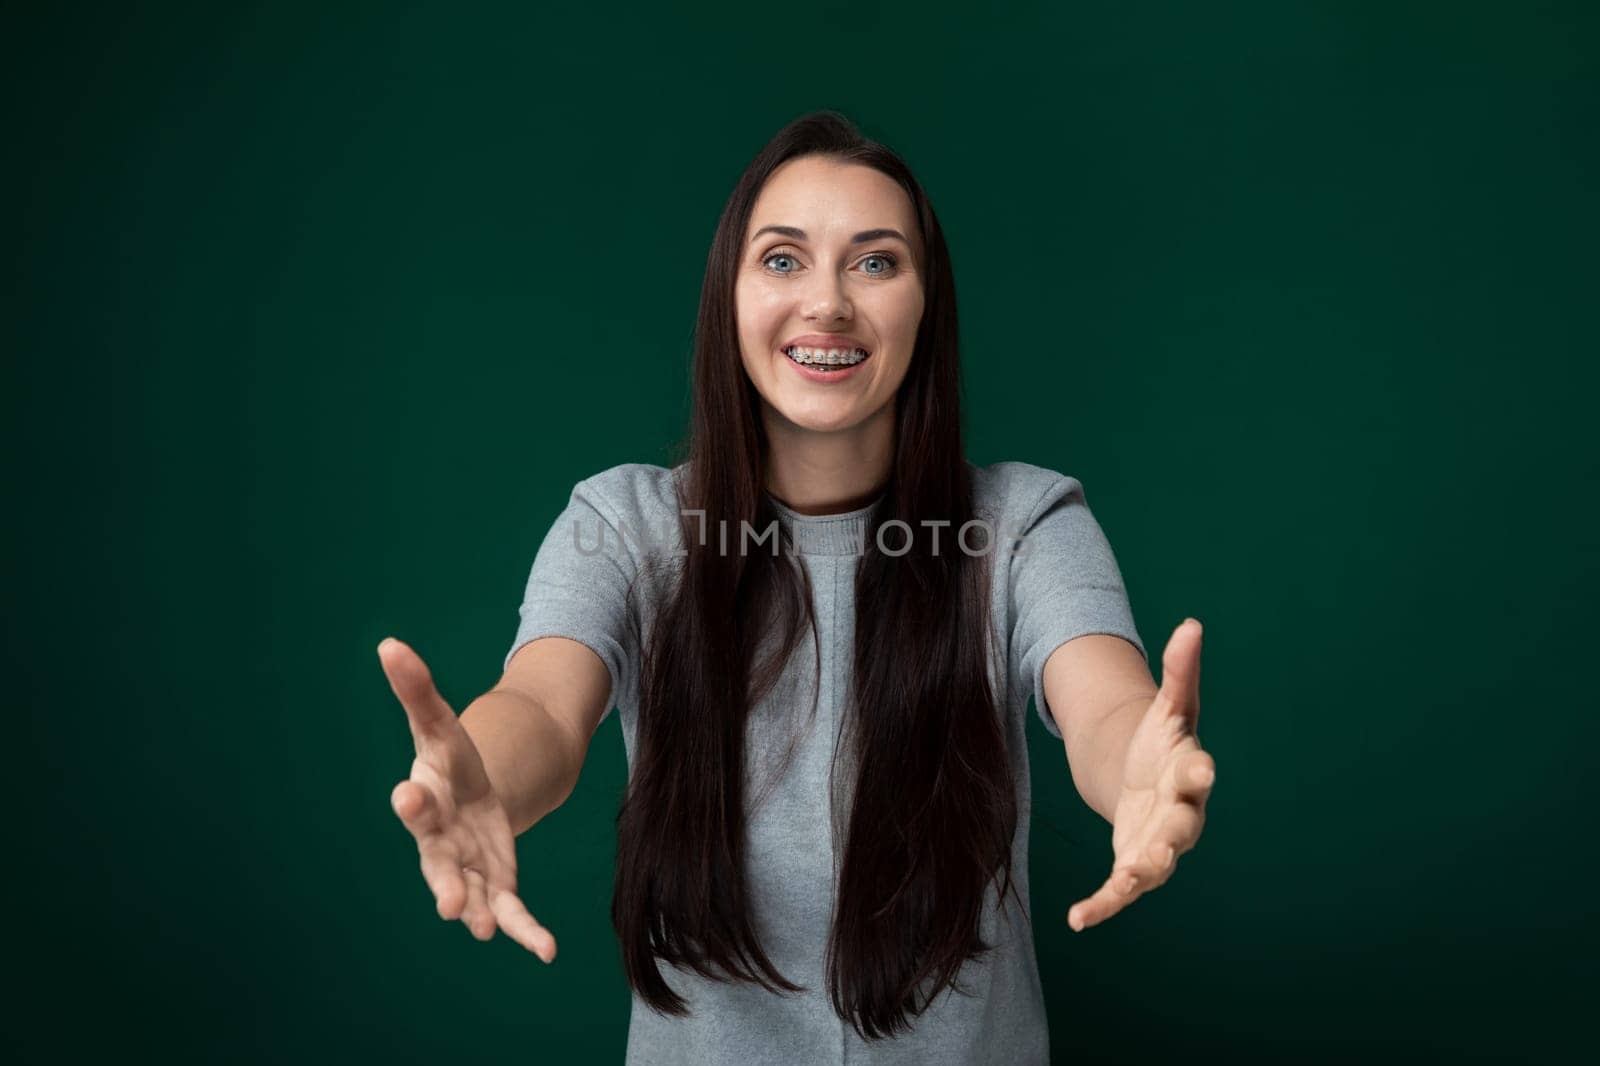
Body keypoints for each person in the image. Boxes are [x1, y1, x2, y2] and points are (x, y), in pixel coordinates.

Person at [377, 110, 1216, 1065]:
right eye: (781, 261)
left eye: (875, 262)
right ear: (728, 300)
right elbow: (542, 705)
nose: (827, 303)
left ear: (925, 306)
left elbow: (1106, 707)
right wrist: (481, 772)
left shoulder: (1025, 524)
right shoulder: (627, 527)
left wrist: (1138, 775)